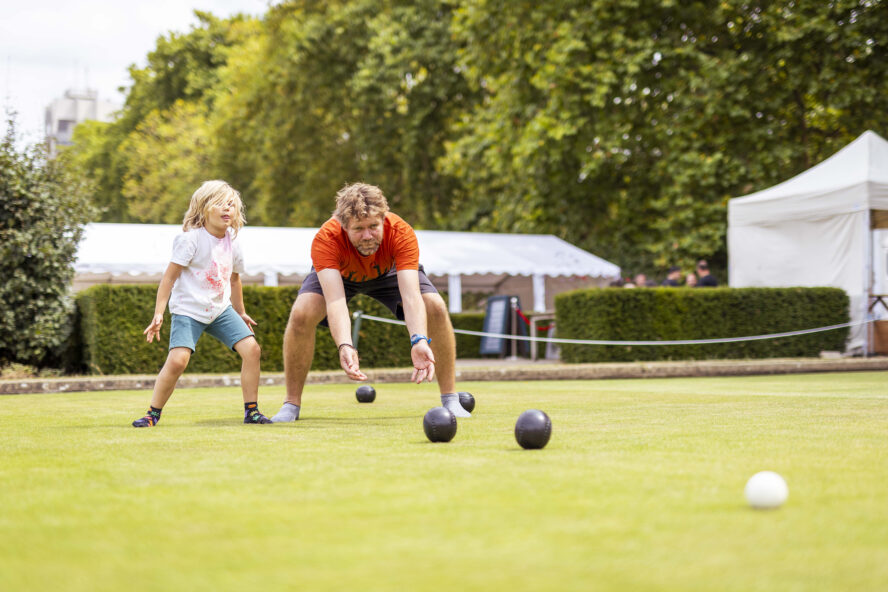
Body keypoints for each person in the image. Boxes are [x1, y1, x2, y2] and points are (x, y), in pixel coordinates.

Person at [271, 182, 470, 422]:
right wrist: (345, 345)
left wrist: (418, 339)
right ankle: (291, 404)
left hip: (388, 271)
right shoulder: (327, 238)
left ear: (384, 220)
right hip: (341, 275)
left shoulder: (400, 231)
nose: (367, 236)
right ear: (344, 225)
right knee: (301, 313)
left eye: (374, 226)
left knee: (435, 306)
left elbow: (411, 295)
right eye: (358, 228)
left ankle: (450, 398)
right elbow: (336, 301)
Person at [132, 180, 271, 427]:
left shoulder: (234, 243)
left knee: (252, 350)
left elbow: (235, 279)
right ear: (204, 207)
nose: (227, 208)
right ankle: (152, 414)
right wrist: (158, 313)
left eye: (231, 204)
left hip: (220, 310)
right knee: (178, 361)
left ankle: (252, 412)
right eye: (220, 203)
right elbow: (169, 278)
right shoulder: (191, 240)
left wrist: (241, 311)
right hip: (188, 310)